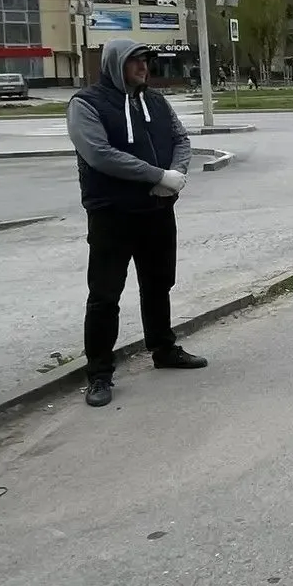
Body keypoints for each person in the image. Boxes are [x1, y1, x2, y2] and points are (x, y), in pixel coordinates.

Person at [68, 40, 207, 409]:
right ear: (115, 65)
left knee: (159, 284)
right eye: (135, 61)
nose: (144, 67)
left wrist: (175, 175)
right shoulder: (87, 104)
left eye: (146, 61)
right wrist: (156, 175)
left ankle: (163, 348)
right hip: (112, 214)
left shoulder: (156, 101)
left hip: (157, 210)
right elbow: (99, 154)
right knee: (105, 295)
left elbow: (180, 138)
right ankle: (99, 373)